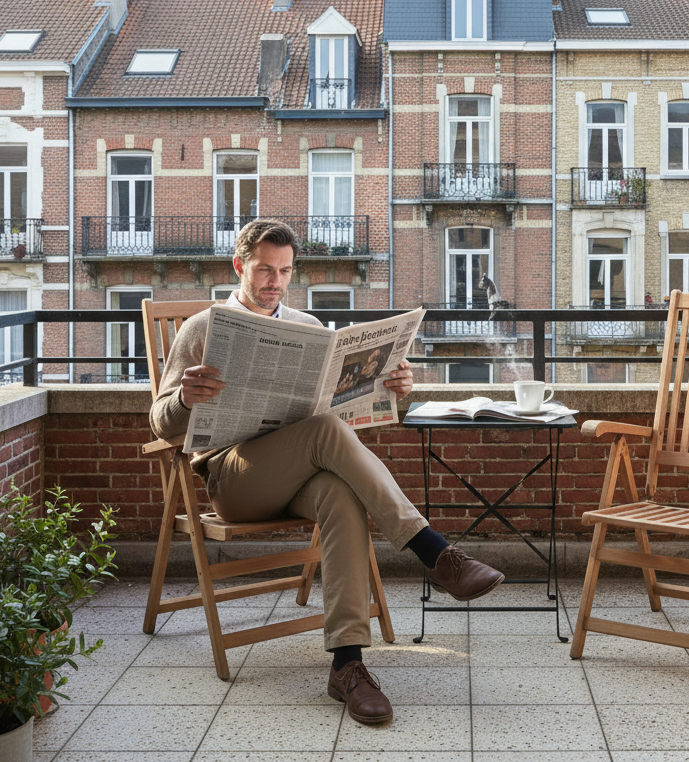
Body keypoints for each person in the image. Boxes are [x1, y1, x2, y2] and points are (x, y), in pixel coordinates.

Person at [149, 219, 503, 725]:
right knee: (321, 430)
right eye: (264, 270)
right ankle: (435, 552)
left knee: (340, 492)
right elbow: (161, 423)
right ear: (239, 266)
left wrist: (395, 393)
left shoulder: (311, 330)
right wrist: (185, 397)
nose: (275, 281)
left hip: (300, 472)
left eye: (285, 271)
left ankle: (347, 665)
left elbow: (351, 418)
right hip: (234, 478)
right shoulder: (204, 328)